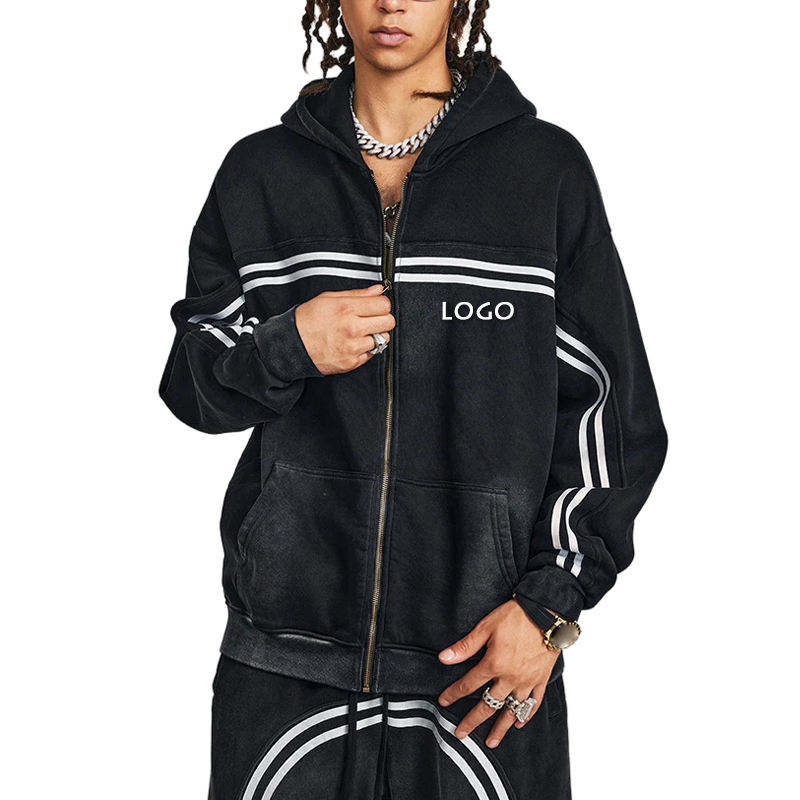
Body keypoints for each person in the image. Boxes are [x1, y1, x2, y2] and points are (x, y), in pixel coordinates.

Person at [160, 1, 667, 797]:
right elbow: (193, 386)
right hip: (284, 662)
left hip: (483, 663)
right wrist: (288, 345)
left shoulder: (542, 172)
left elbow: (613, 415)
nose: (391, 1)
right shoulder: (262, 174)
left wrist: (546, 610)